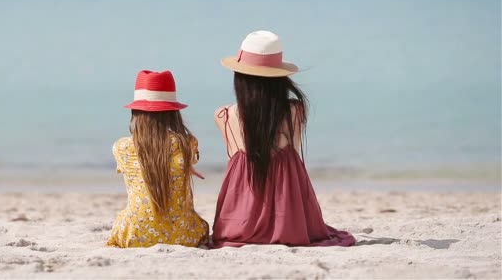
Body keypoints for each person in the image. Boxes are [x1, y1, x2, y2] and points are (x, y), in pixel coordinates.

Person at [211, 30, 356, 248]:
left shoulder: (223, 115)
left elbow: (234, 157)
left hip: (237, 222)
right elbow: (293, 155)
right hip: (288, 220)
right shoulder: (295, 110)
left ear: (239, 78)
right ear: (279, 78)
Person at [107, 70, 209, 248]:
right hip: (184, 235)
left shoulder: (122, 147)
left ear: (136, 112)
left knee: (123, 218)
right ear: (173, 112)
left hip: (135, 233)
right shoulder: (187, 144)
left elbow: (148, 162)